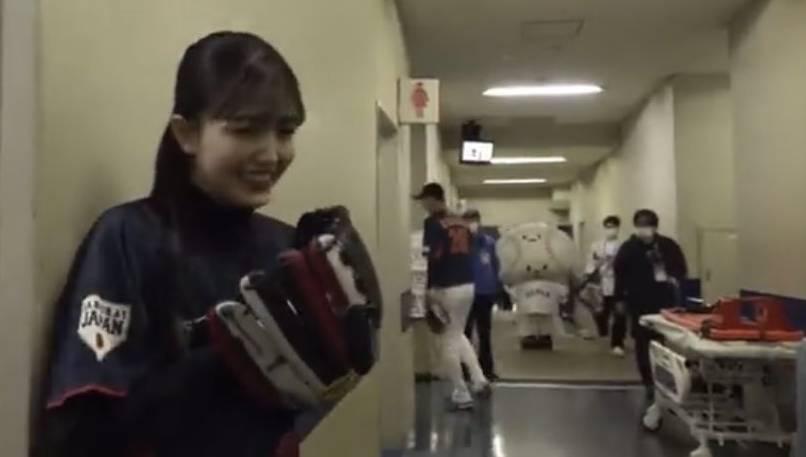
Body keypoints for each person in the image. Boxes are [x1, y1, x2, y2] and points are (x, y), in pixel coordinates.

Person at [33, 31, 381, 457]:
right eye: (246, 129)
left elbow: (288, 419)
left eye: (286, 131)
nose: (271, 154)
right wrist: (227, 360)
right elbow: (78, 435)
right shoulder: (128, 238)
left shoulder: (286, 250)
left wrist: (338, 371)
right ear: (187, 134)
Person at [414, 183, 490, 410]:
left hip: (446, 286)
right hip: (467, 284)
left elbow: (433, 258)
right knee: (457, 334)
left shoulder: (432, 223)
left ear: (433, 199)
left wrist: (429, 290)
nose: (422, 205)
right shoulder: (460, 221)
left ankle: (461, 393)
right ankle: (479, 379)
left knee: (446, 341)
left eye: (424, 200)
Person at [613, 208, 687, 431]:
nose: (644, 229)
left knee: (666, 344)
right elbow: (619, 275)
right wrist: (619, 299)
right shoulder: (628, 249)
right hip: (639, 303)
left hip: (665, 302)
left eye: (648, 224)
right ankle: (649, 383)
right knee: (643, 343)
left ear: (655, 226)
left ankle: (669, 383)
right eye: (641, 224)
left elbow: (680, 270)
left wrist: (668, 272)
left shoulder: (668, 246)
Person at [462, 209, 500, 381]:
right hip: (466, 292)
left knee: (485, 333)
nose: (472, 224)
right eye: (468, 220)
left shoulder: (488, 242)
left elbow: (495, 265)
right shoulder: (461, 244)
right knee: (466, 333)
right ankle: (466, 369)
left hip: (485, 292)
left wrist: (497, 286)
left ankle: (487, 369)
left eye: (474, 220)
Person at [587, 215, 626, 356]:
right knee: (602, 312)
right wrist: (597, 264)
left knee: (619, 314)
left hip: (618, 283)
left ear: (618, 228)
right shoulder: (596, 245)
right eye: (608, 227)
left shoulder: (624, 245)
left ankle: (617, 343)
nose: (611, 230)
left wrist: (614, 262)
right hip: (601, 283)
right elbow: (590, 263)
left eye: (613, 227)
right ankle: (602, 331)